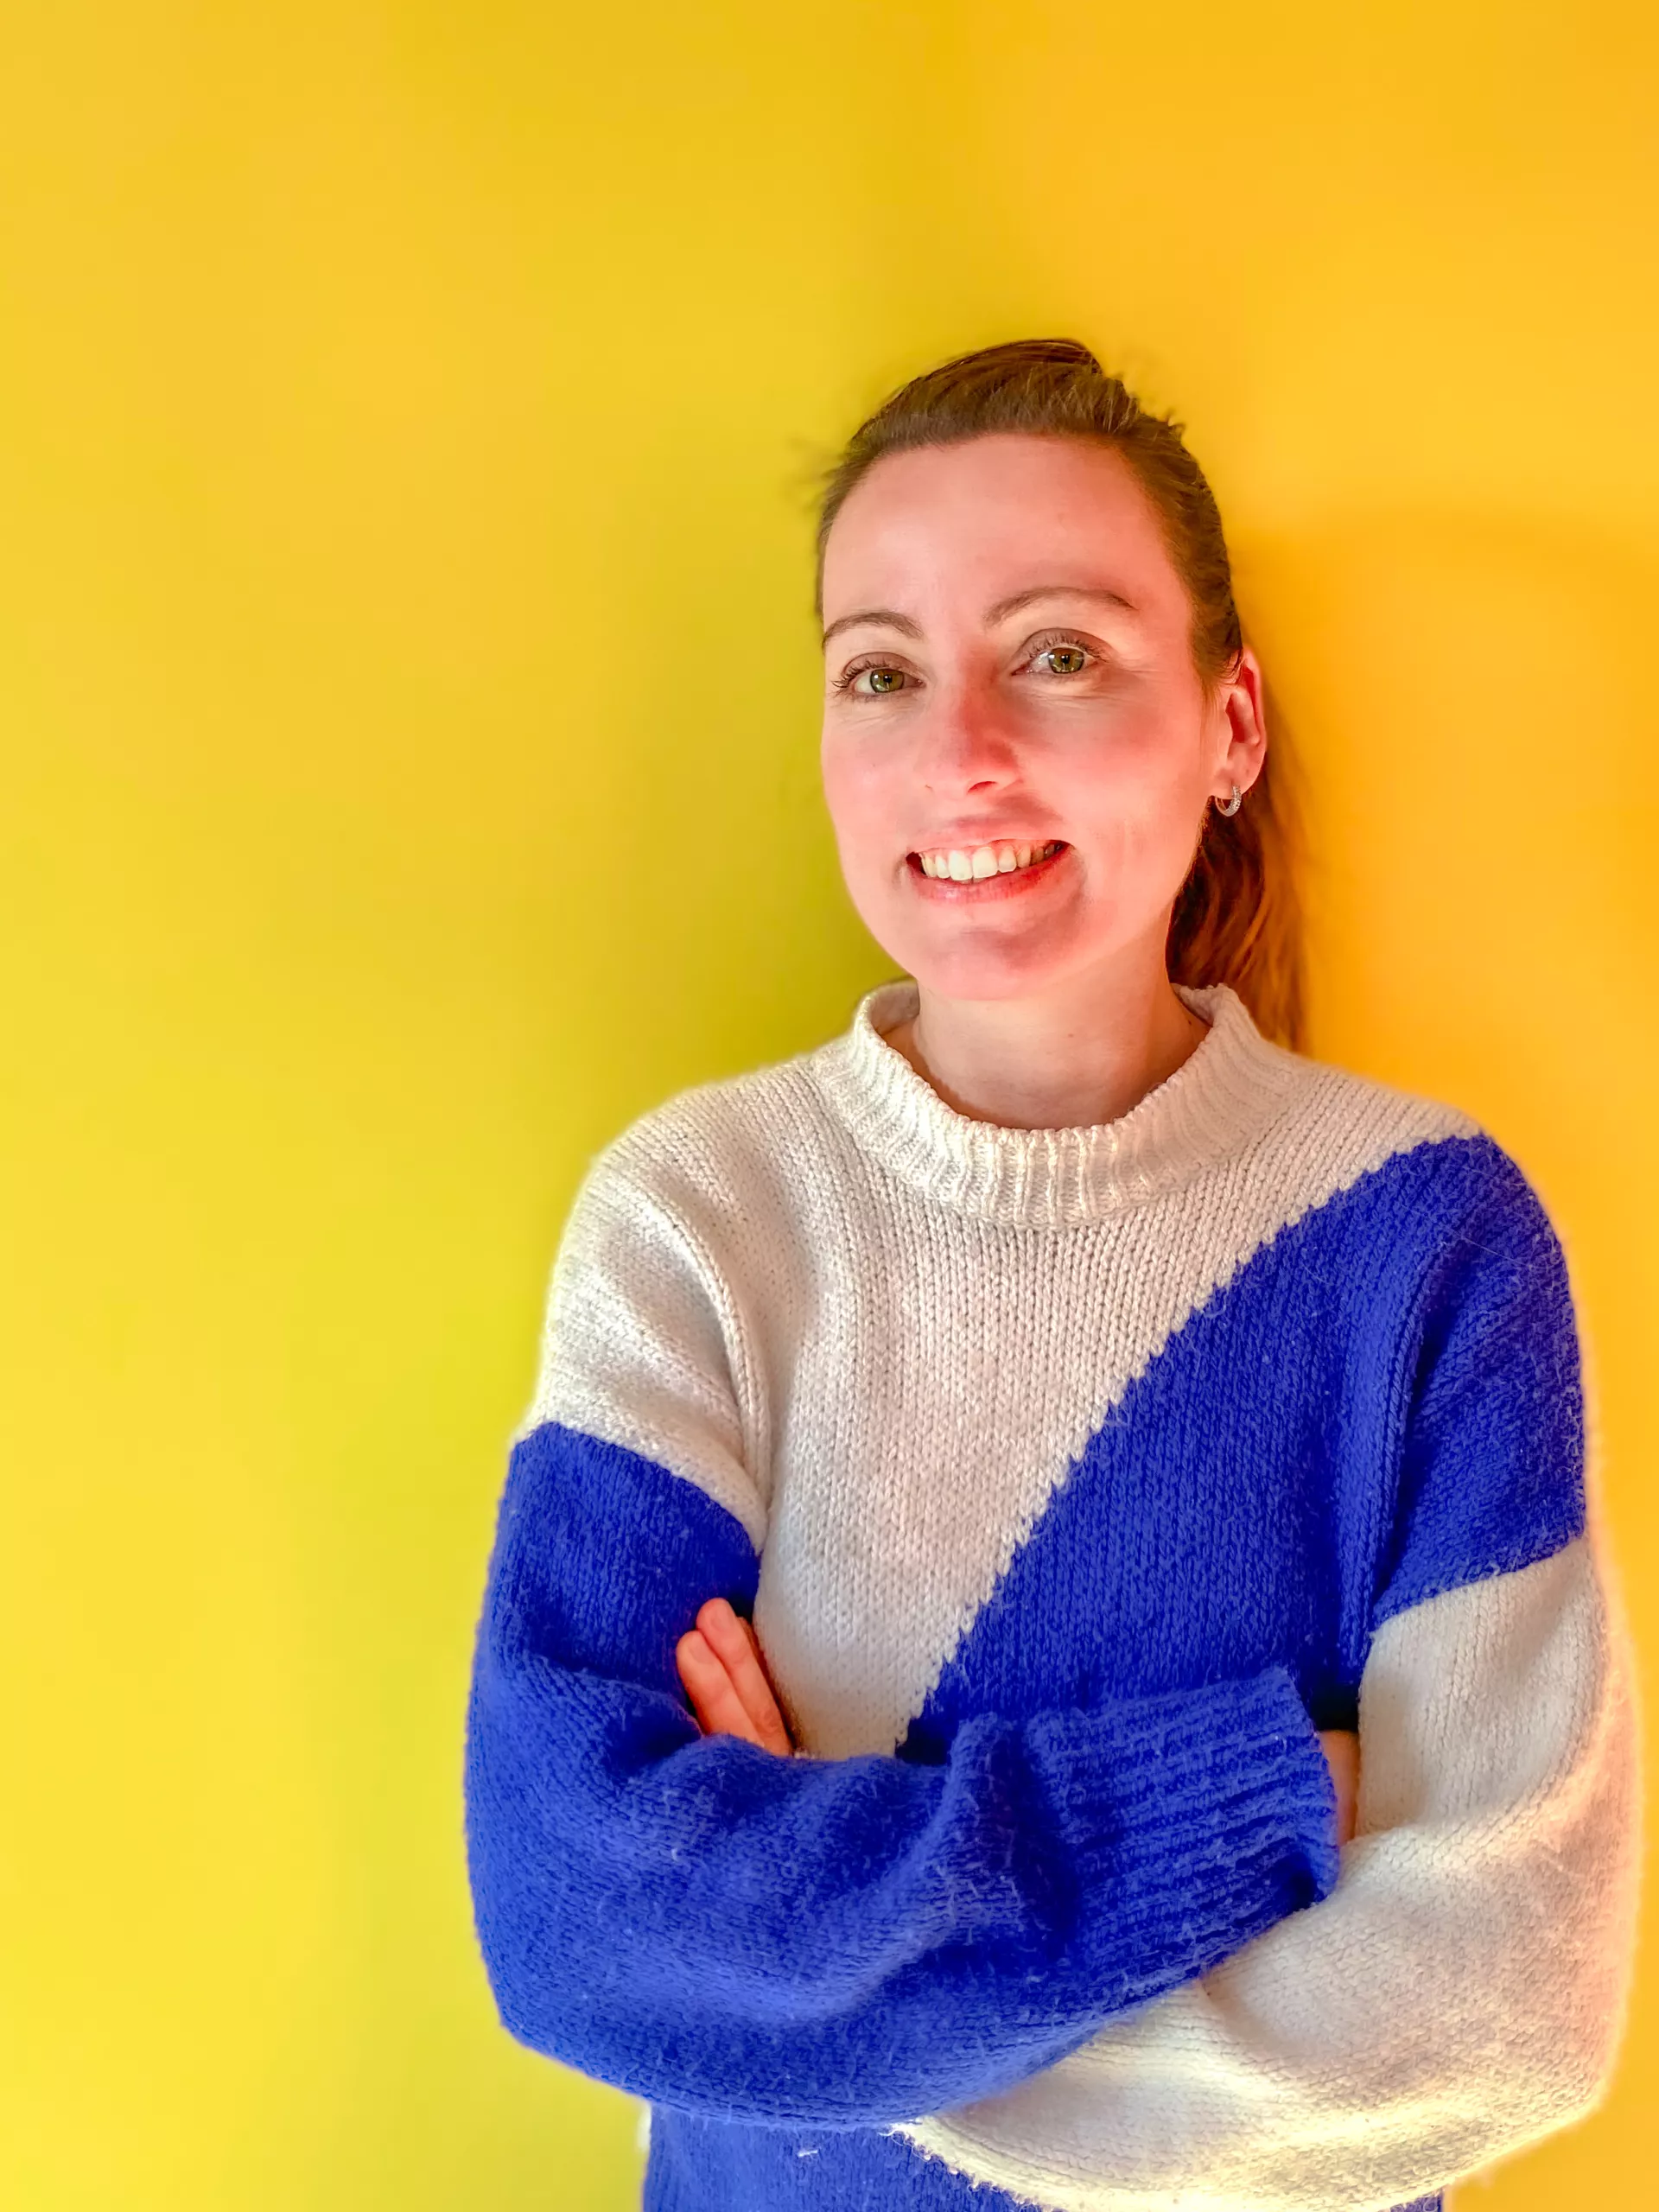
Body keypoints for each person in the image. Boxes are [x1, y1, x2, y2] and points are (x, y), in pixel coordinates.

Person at [461, 339, 1643, 2212]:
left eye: (1063, 651)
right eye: (882, 671)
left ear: (1229, 722)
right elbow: (579, 1914)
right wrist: (1251, 1807)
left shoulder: (1433, 1240)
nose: (962, 752)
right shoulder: (698, 1216)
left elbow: (1508, 1995)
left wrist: (825, 1988)